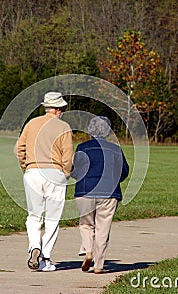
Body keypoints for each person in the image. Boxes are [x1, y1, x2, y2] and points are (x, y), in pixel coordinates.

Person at [16, 92, 74, 272]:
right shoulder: (64, 127)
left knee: (34, 216)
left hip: (33, 172)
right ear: (58, 110)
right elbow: (67, 156)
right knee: (52, 218)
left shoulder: (31, 124)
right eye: (62, 108)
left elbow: (20, 148)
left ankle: (34, 246)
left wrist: (26, 166)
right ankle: (46, 257)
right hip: (55, 173)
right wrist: (65, 173)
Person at [71, 116, 129, 274]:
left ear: (90, 130)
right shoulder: (115, 149)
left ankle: (88, 250)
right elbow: (124, 172)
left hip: (85, 191)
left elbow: (74, 171)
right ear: (108, 131)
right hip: (110, 193)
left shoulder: (82, 147)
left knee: (85, 224)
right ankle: (99, 265)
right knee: (103, 228)